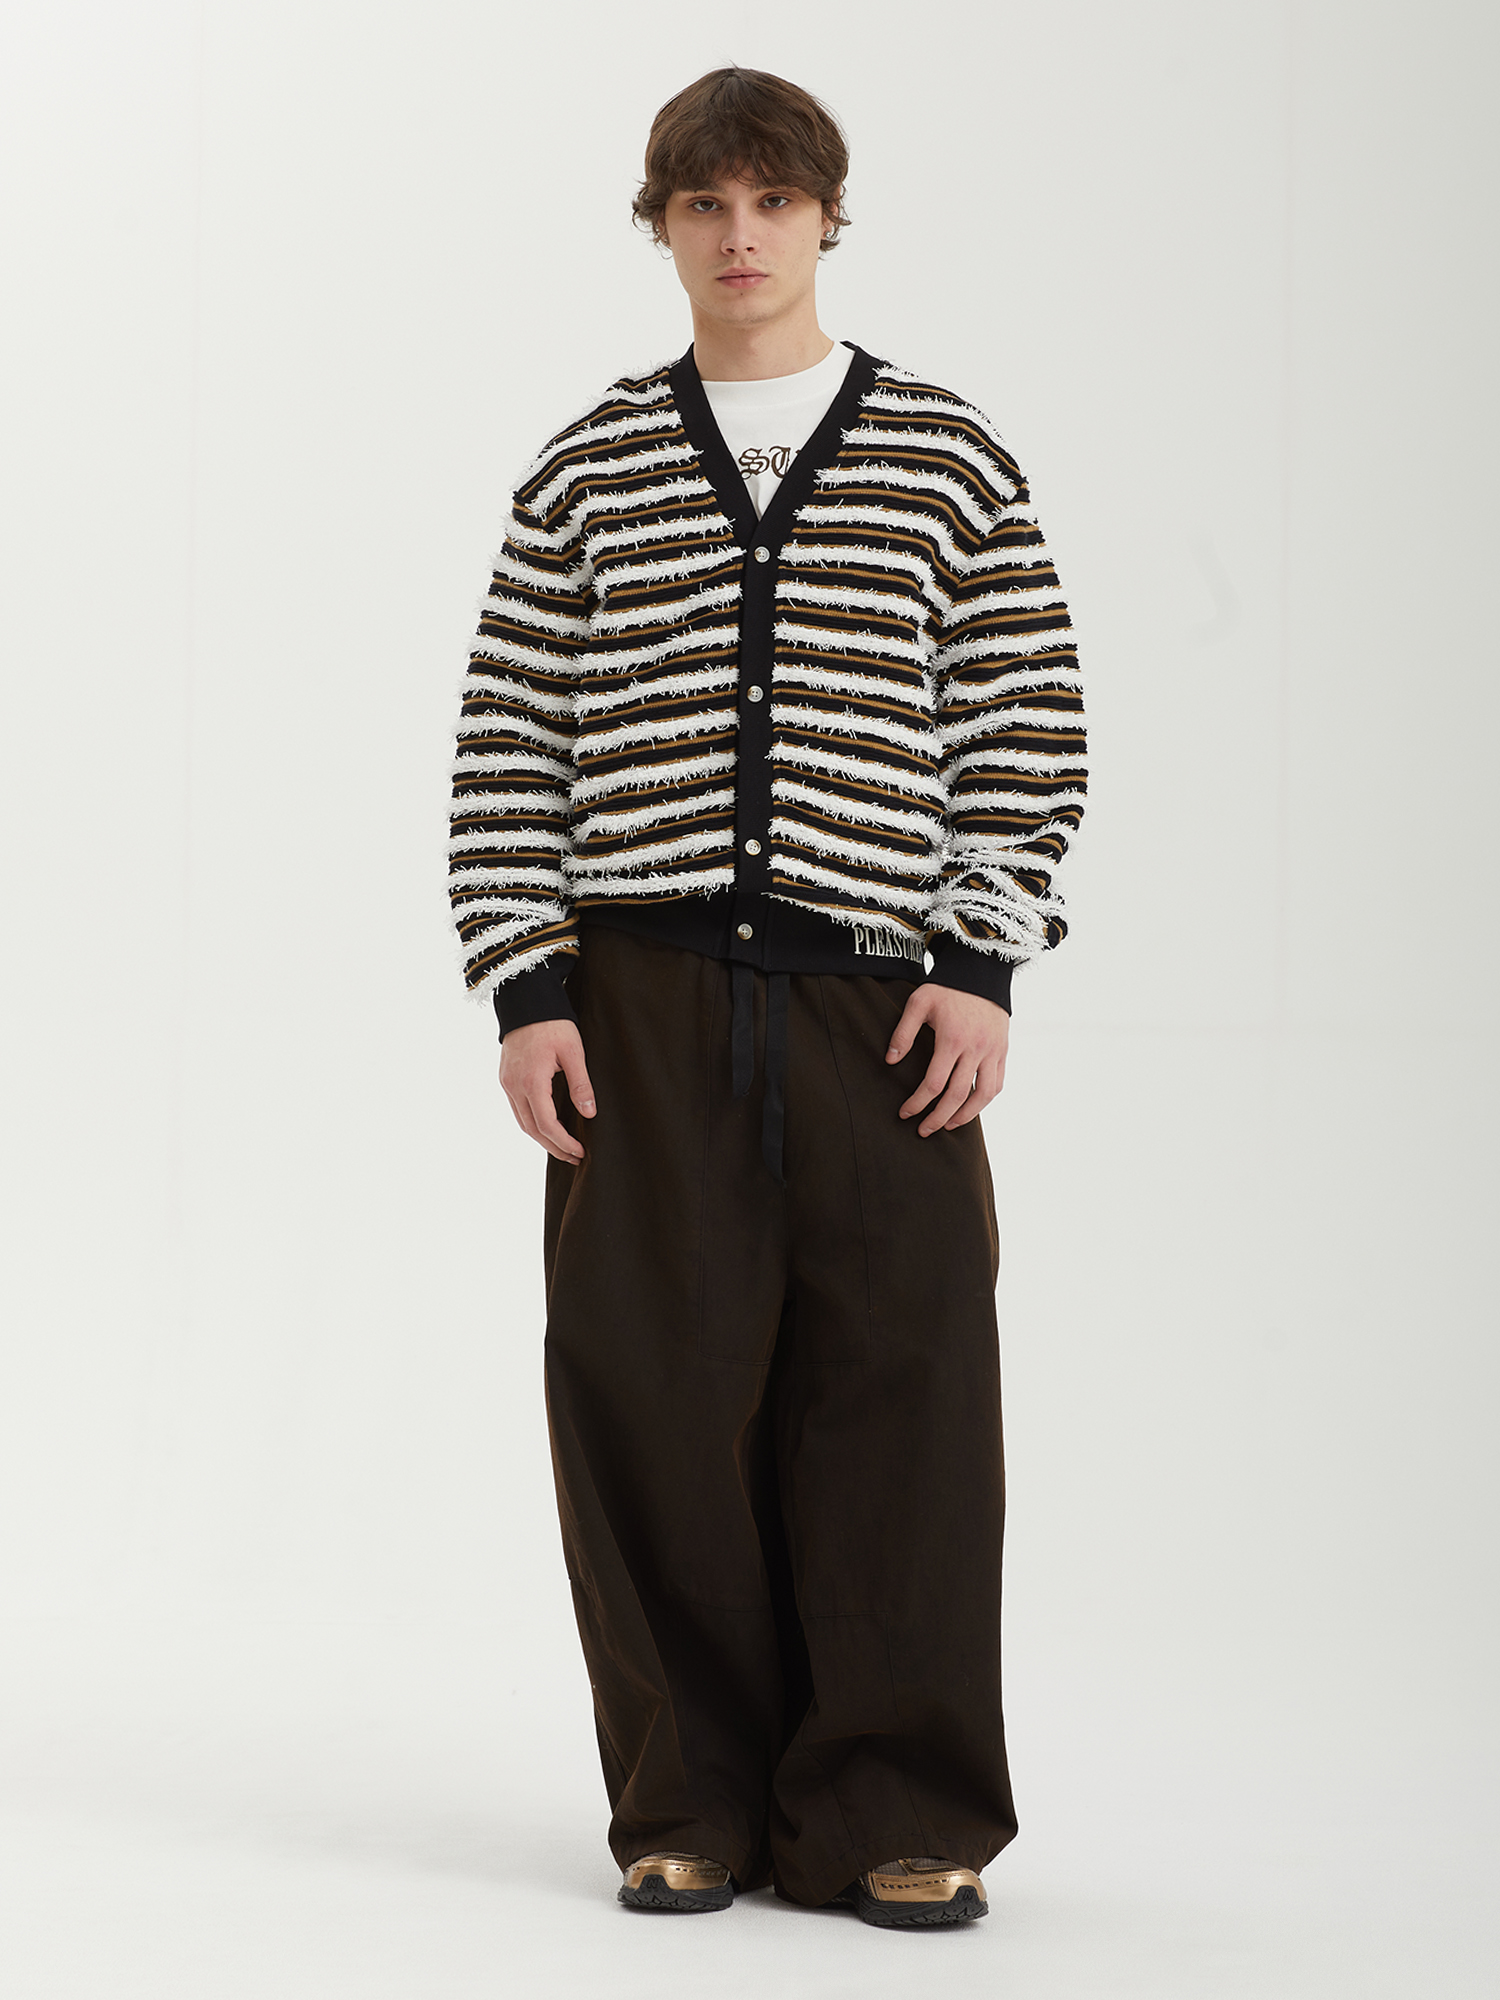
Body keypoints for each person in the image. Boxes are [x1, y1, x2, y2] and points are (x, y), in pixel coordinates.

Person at [448, 65, 1086, 1929]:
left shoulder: (946, 457)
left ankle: (895, 1806)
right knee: (649, 1395)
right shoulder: (588, 463)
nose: (742, 237)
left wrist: (980, 960)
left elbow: (1025, 719)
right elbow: (509, 740)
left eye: (775, 203)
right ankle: (689, 1802)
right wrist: (527, 985)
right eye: (706, 205)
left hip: (876, 1007)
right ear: (662, 226)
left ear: (825, 219)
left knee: (903, 1390)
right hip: (637, 1005)